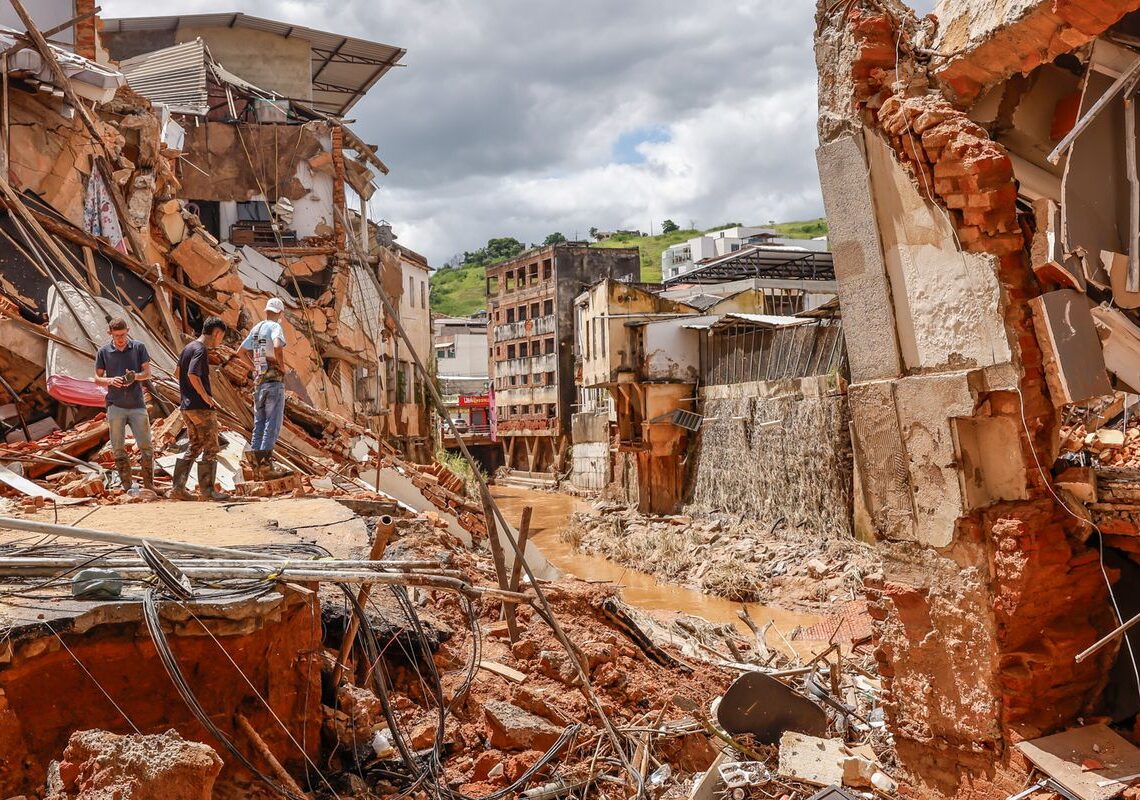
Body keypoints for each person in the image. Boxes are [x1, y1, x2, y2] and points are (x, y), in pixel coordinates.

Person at [172, 316, 230, 501]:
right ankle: (208, 491)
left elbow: (177, 373)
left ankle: (178, 489)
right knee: (211, 447)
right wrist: (206, 397)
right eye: (221, 337)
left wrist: (186, 393)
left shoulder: (188, 348)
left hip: (186, 407)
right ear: (217, 333)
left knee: (195, 445)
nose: (220, 341)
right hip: (200, 407)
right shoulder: (200, 350)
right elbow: (192, 374)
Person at [94, 318, 154, 493]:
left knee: (146, 446)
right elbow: (97, 379)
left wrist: (135, 376)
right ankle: (126, 485)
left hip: (137, 404)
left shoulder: (139, 348)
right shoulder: (103, 351)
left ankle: (149, 485)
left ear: (128, 330)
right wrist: (111, 380)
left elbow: (147, 373)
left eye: (123, 335)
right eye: (116, 335)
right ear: (110, 334)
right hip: (115, 405)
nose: (120, 339)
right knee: (118, 447)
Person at [239, 298, 290, 480]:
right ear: (280, 313)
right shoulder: (275, 327)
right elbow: (277, 346)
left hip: (259, 383)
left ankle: (256, 468)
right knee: (272, 424)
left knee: (259, 424)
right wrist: (281, 366)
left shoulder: (257, 328)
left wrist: (254, 368)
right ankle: (266, 466)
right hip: (274, 382)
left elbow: (241, 352)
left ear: (266, 310)